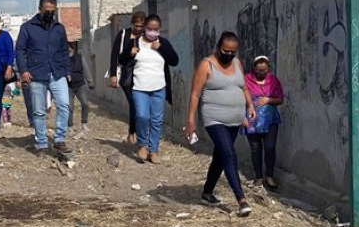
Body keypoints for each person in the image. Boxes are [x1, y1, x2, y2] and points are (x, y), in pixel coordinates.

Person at [184, 30, 256, 216]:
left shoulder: (237, 63)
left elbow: (243, 87)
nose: (229, 55)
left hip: (235, 119)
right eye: (226, 51)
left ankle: (207, 193)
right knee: (230, 155)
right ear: (218, 48)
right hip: (214, 119)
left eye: (233, 51)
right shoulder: (206, 65)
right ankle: (241, 199)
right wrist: (191, 120)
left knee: (220, 156)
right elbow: (195, 94)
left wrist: (249, 105)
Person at [15, 0, 72, 157]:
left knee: (64, 105)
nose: (49, 14)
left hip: (57, 72)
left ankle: (59, 139)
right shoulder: (27, 27)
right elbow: (20, 50)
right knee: (39, 111)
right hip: (36, 73)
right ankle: (41, 143)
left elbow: (64, 50)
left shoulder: (59, 28)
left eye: (52, 11)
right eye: (47, 10)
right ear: (40, 9)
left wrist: (67, 70)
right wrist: (23, 70)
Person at [119, 13, 179, 164]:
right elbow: (121, 60)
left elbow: (174, 61)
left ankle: (153, 150)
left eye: (156, 29)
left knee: (157, 120)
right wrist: (129, 53)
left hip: (159, 88)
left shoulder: (162, 43)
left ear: (159, 29)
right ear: (144, 28)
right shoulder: (134, 43)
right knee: (142, 116)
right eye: (150, 28)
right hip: (139, 88)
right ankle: (143, 145)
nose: (153, 31)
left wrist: (161, 48)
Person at [243, 55, 284, 191]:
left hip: (270, 119)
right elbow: (239, 97)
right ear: (254, 68)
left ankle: (270, 176)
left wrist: (268, 100)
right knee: (255, 148)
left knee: (270, 147)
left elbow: (280, 99)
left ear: (269, 69)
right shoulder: (246, 80)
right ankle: (259, 177)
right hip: (252, 119)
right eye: (259, 70)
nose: (262, 73)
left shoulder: (273, 81)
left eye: (264, 70)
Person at [108, 11, 146, 143]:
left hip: (143, 76)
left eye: (141, 26)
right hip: (126, 76)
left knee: (139, 106)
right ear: (132, 24)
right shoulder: (124, 34)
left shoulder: (146, 38)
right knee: (134, 103)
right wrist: (113, 75)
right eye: (136, 26)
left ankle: (134, 132)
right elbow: (114, 55)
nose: (139, 29)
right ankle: (132, 133)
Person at [67, 41, 94, 131]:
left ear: (72, 47)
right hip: (68, 86)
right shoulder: (63, 58)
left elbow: (86, 70)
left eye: (69, 46)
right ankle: (70, 125)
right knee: (70, 107)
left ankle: (84, 123)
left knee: (85, 104)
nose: (67, 48)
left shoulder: (79, 57)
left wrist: (90, 82)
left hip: (80, 85)